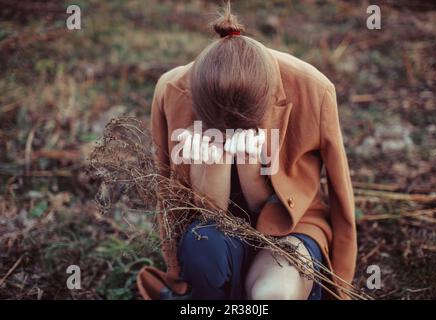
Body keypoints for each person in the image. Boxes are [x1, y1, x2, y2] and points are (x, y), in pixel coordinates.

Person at [137, 1, 356, 300]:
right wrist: (175, 271)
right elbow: (167, 195)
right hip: (212, 230)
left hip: (293, 226)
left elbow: (342, 195)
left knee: (275, 295)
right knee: (202, 246)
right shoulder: (172, 89)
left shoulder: (313, 89)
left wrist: (340, 287)